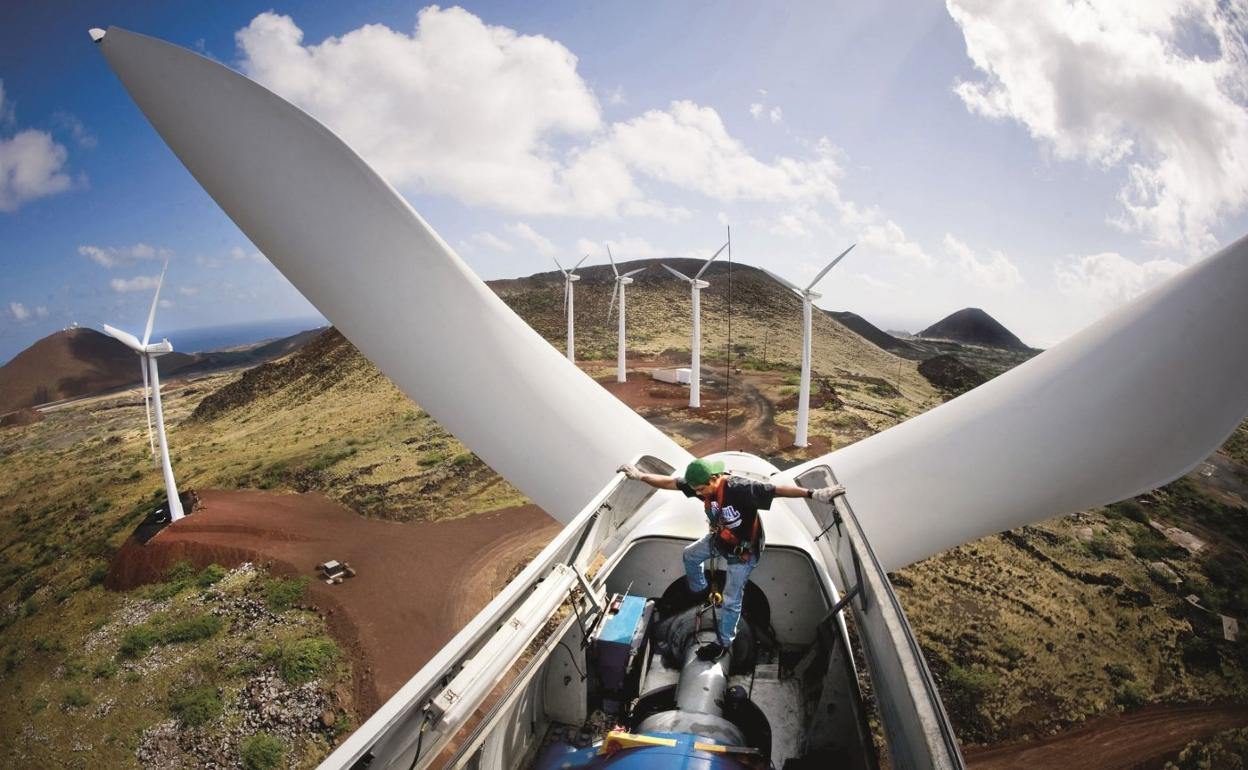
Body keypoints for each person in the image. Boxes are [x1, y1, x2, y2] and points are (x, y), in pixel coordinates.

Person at [617, 457, 846, 660]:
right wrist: (639, 476)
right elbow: (669, 483)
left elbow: (776, 490)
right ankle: (700, 589)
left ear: (715, 479)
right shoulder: (700, 484)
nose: (697, 493)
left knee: (731, 600)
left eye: (701, 489)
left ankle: (724, 643)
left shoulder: (740, 489)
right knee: (690, 555)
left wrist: (814, 494)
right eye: (694, 489)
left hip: (743, 553)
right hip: (720, 540)